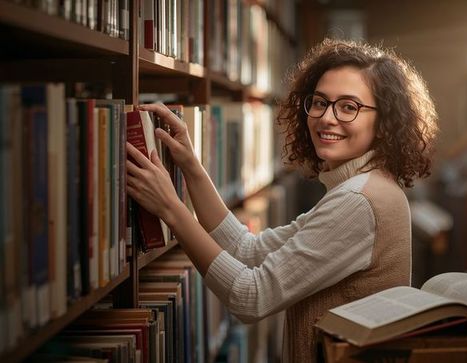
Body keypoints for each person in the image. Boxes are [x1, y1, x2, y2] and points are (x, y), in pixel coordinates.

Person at [126, 38, 438, 362]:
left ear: (384, 123)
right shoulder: (366, 188)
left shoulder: (358, 202)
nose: (327, 118)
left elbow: (252, 296)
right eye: (319, 102)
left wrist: (171, 210)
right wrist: (191, 167)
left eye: (349, 107)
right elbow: (249, 252)